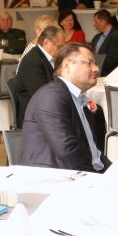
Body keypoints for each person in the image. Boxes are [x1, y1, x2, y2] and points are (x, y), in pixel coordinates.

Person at [19, 42, 107, 172]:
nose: (96, 69)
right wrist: (98, 178)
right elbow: (67, 151)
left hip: (81, 171)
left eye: (96, 64)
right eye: (89, 63)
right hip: (54, 177)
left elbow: (94, 152)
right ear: (67, 66)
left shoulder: (80, 100)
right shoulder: (52, 96)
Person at [15, 25, 64, 110]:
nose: (62, 50)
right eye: (59, 46)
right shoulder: (32, 60)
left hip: (48, 105)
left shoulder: (48, 58)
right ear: (46, 42)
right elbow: (40, 95)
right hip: (36, 112)